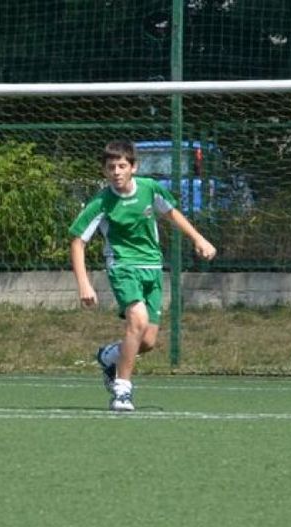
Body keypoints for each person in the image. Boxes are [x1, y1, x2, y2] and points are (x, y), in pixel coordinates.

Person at [69, 140, 217, 413]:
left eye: (122, 166)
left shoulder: (149, 189)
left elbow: (172, 214)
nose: (116, 171)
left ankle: (109, 356)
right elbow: (78, 241)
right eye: (111, 167)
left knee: (146, 341)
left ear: (133, 167)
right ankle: (121, 391)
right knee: (137, 320)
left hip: (152, 269)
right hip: (123, 267)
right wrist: (84, 284)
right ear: (104, 171)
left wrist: (199, 239)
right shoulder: (101, 202)